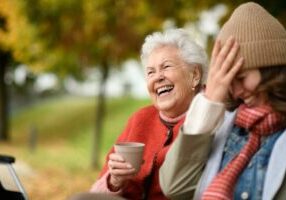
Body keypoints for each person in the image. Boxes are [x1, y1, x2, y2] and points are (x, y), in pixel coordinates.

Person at [160, 2, 286, 200]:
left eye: (242, 77)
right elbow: (175, 188)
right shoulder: (224, 125)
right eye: (228, 81)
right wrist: (209, 102)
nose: (236, 91)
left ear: (272, 71)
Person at [89, 28, 208, 199]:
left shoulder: (212, 116)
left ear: (195, 75)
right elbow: (99, 190)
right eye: (151, 72)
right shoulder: (141, 119)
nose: (157, 77)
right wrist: (114, 181)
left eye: (166, 67)